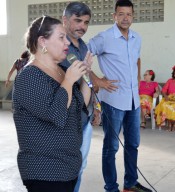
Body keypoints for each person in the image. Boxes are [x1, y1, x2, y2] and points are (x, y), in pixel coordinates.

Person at [13, 16, 92, 192]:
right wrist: (70, 80)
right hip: (44, 170)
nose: (67, 43)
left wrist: (86, 76)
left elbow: (80, 106)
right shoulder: (29, 76)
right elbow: (56, 114)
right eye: (61, 37)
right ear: (43, 42)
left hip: (68, 166)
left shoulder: (63, 71)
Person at [87, 0, 152, 191]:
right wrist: (96, 81)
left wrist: (137, 79)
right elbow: (81, 57)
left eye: (129, 14)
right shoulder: (104, 38)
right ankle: (111, 187)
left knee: (132, 144)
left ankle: (130, 184)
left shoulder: (136, 38)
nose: (125, 18)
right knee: (111, 147)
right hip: (113, 101)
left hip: (133, 101)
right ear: (114, 16)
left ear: (133, 16)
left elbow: (137, 59)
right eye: (121, 14)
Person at [61, 2, 93, 191]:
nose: (82, 26)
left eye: (86, 22)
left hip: (84, 117)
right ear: (65, 20)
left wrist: (95, 107)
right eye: (78, 20)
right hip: (65, 119)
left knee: (80, 166)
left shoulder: (83, 46)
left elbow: (87, 78)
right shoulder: (57, 46)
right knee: (65, 169)